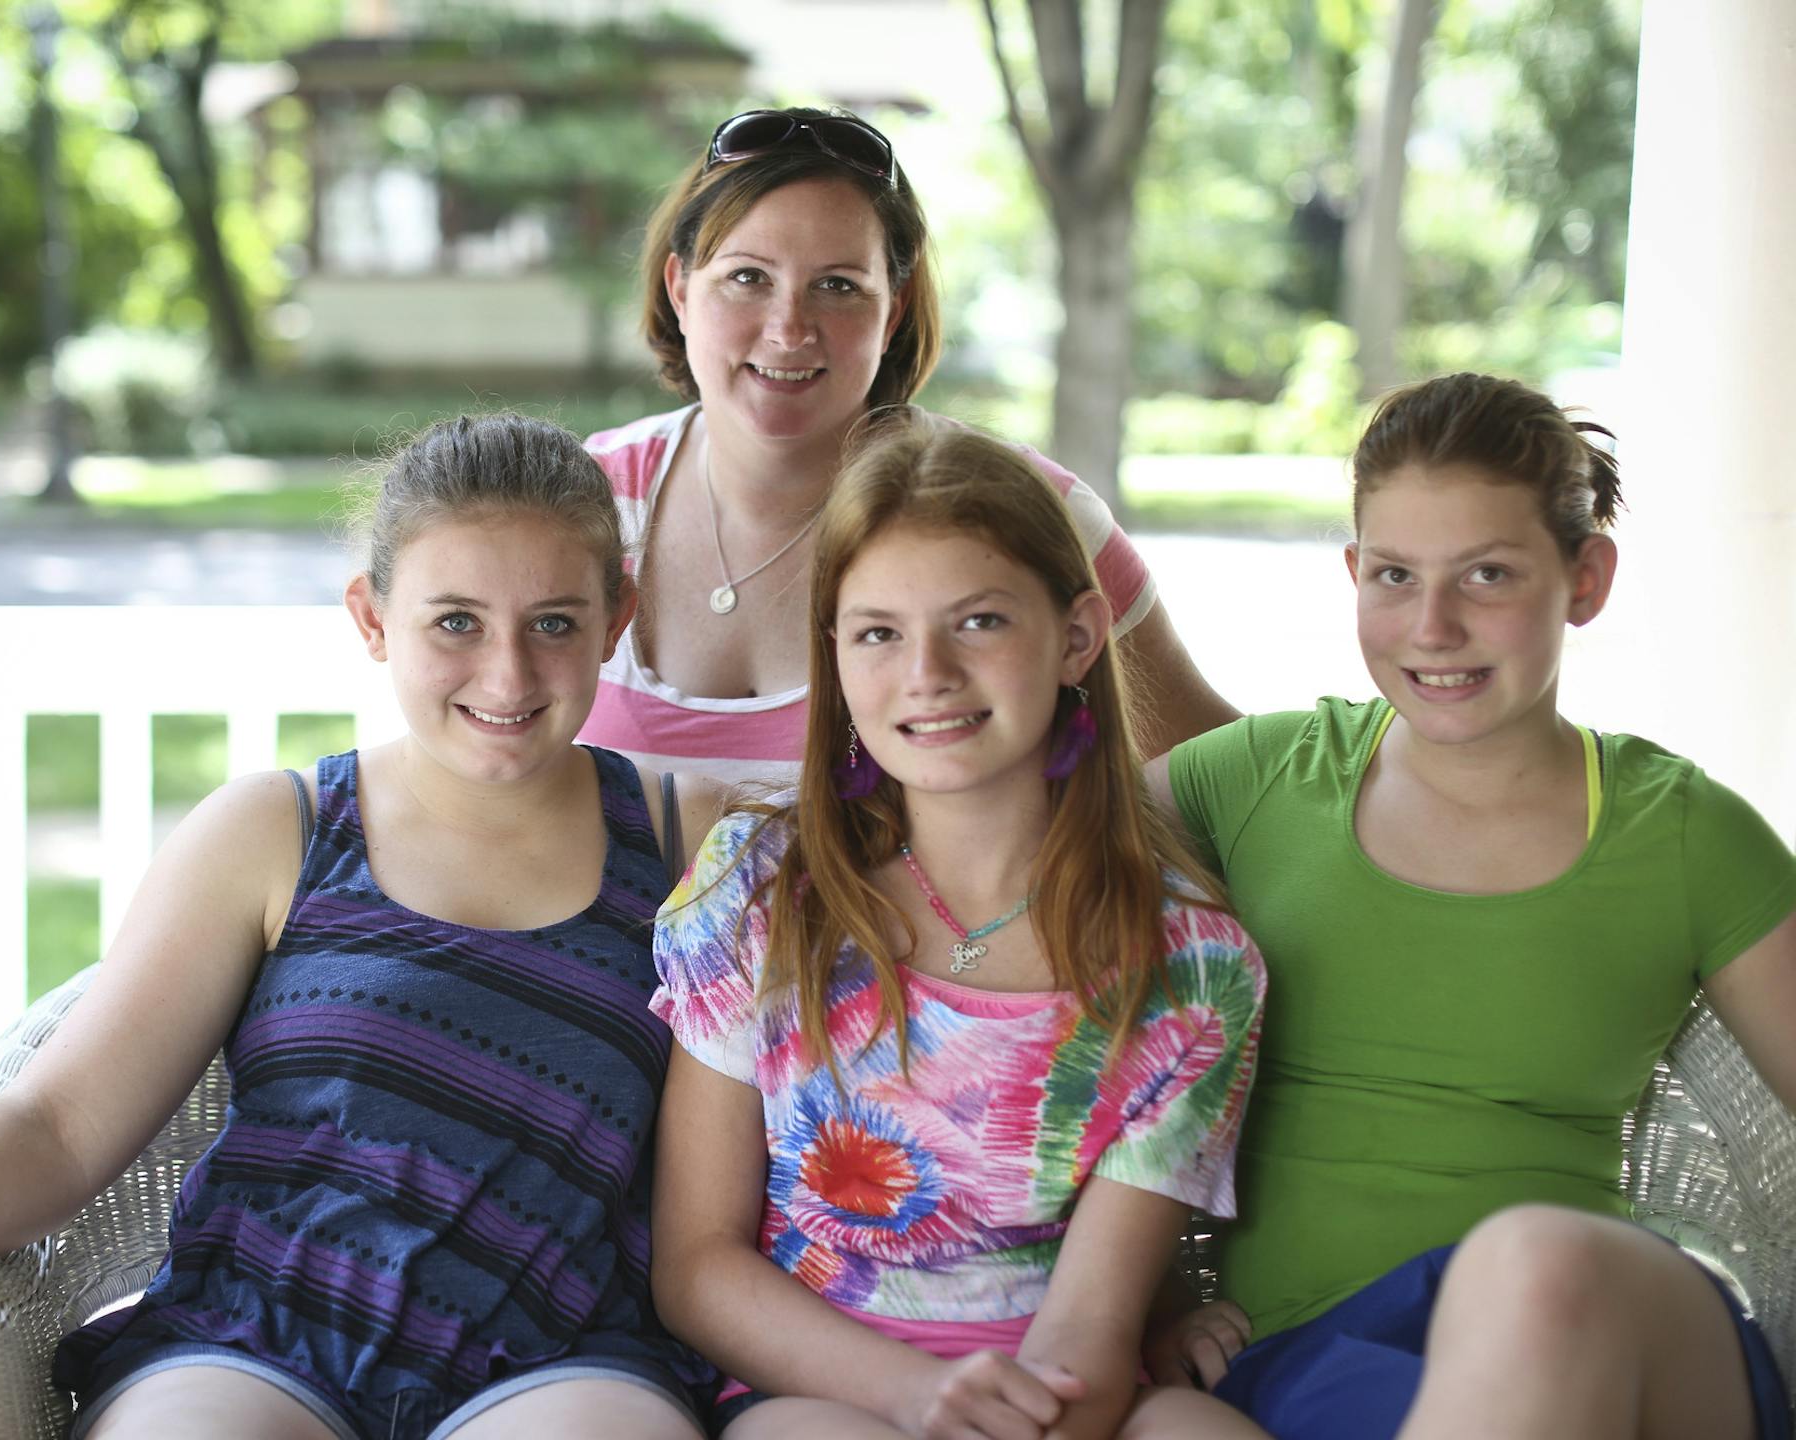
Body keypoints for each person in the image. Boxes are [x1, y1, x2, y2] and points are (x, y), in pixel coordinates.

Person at [0, 415, 734, 1440]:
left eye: (555, 624)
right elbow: (58, 1127)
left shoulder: (690, 840)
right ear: (372, 617)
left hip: (562, 1357)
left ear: (618, 614)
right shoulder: (279, 830)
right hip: (253, 1341)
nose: (509, 675)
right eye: (456, 622)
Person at [1151, 372, 1796, 1440]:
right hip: (1297, 1367)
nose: (1433, 626)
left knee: (1528, 1263)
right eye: (1395, 576)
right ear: (1353, 573)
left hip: (1599, 1345)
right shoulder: (1258, 777)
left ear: (1585, 578)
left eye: (1487, 575)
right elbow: (1019, 871)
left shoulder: (1680, 832)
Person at [648, 417, 1270, 1439]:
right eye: (879, 632)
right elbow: (697, 1267)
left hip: (1054, 1388)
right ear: (836, 656)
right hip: (815, 1386)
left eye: (978, 622)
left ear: (1076, 636)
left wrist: (1017, 1412)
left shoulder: (1191, 966)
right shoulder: (760, 894)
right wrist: (918, 1398)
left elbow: (1091, 1331)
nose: (925, 672)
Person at [580, 106, 1235, 782]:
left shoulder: (1025, 508)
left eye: (837, 286)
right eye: (748, 277)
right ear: (681, 289)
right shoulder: (577, 501)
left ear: (892, 312)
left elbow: (1215, 780)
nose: (788, 329)